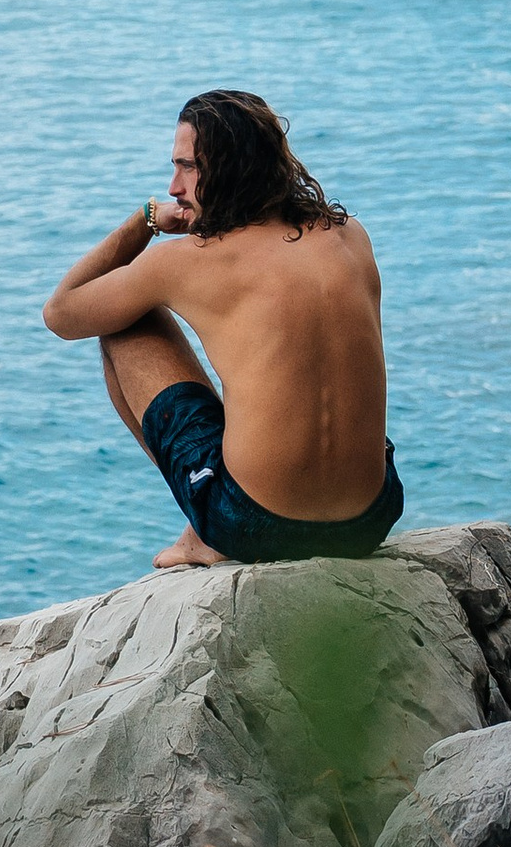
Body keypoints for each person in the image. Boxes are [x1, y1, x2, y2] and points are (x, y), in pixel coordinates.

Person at [41, 87, 401, 569]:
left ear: (232, 168)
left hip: (255, 526)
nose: (174, 187)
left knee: (124, 321)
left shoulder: (188, 261)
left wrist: (145, 221)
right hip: (371, 519)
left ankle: (202, 527)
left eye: (188, 167)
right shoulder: (351, 235)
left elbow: (62, 314)